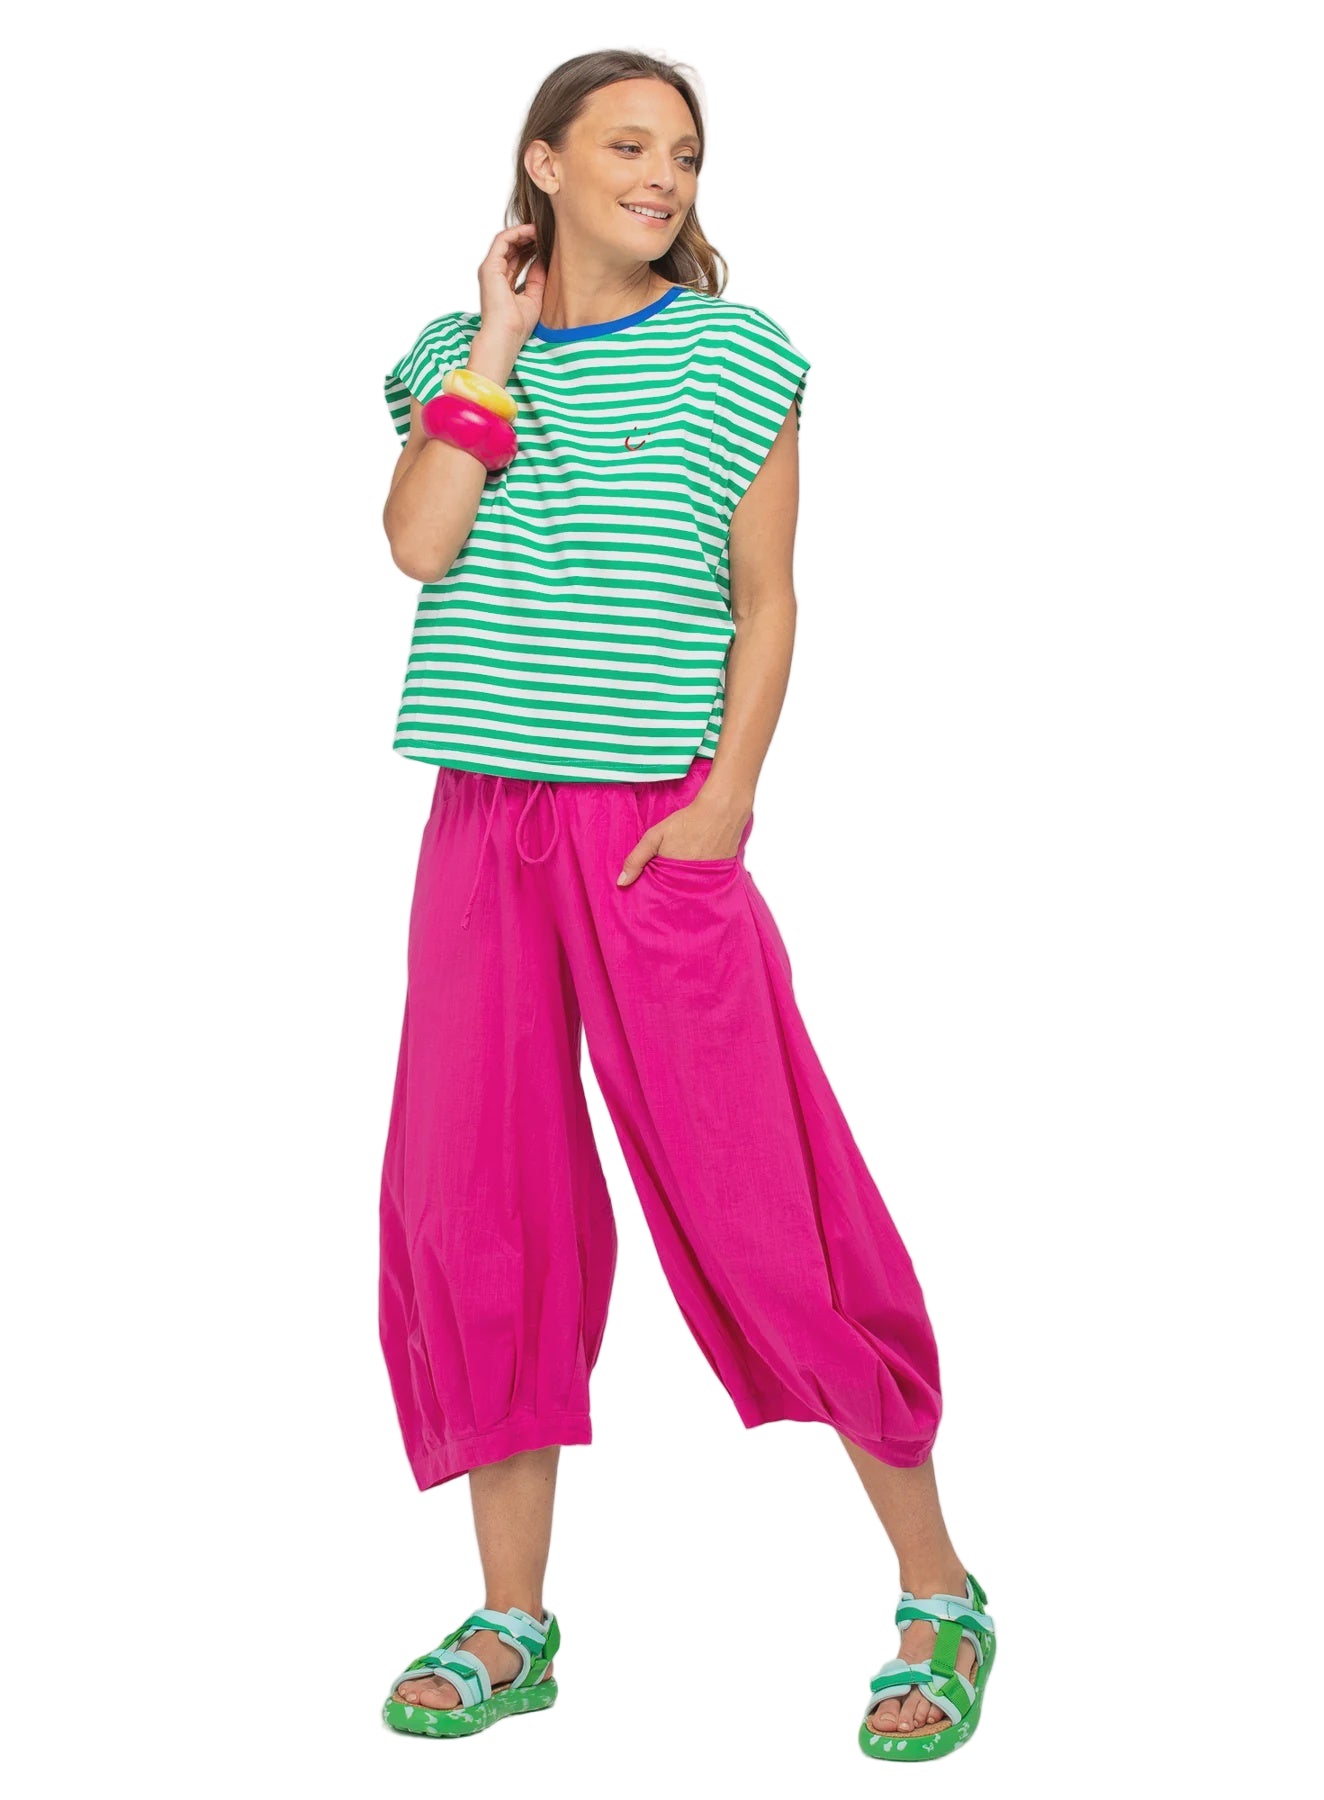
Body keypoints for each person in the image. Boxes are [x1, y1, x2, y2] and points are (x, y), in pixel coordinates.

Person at [376, 49, 997, 1762]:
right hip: (481, 822)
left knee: (760, 1190)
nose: (664, 176)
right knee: (475, 1198)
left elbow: (767, 597)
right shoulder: (451, 356)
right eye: (631, 145)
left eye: (687, 154)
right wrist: (493, 348)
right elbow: (420, 542)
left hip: (657, 830)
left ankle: (940, 1589)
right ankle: (513, 1622)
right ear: (546, 163)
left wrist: (726, 800)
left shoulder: (738, 354)